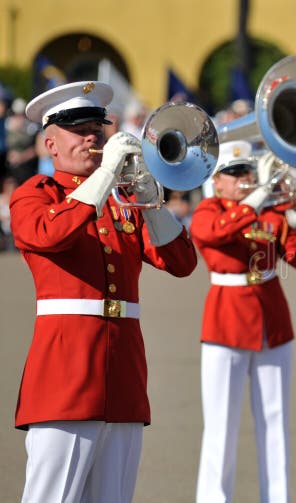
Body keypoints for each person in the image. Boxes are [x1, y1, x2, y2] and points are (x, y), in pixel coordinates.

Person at [9, 81, 197, 502]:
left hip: (124, 374)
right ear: (51, 143)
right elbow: (49, 235)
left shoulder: (121, 202)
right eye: (80, 130)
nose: (93, 137)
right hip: (65, 377)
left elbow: (182, 263)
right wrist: (108, 174)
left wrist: (152, 203)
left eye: (98, 127)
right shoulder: (36, 195)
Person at [190, 140, 296, 502]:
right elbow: (214, 233)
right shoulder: (208, 209)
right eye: (234, 174)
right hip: (225, 321)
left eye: (246, 172)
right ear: (216, 180)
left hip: (272, 321)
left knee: (275, 423)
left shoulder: (272, 214)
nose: (243, 179)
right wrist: (261, 196)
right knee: (221, 426)